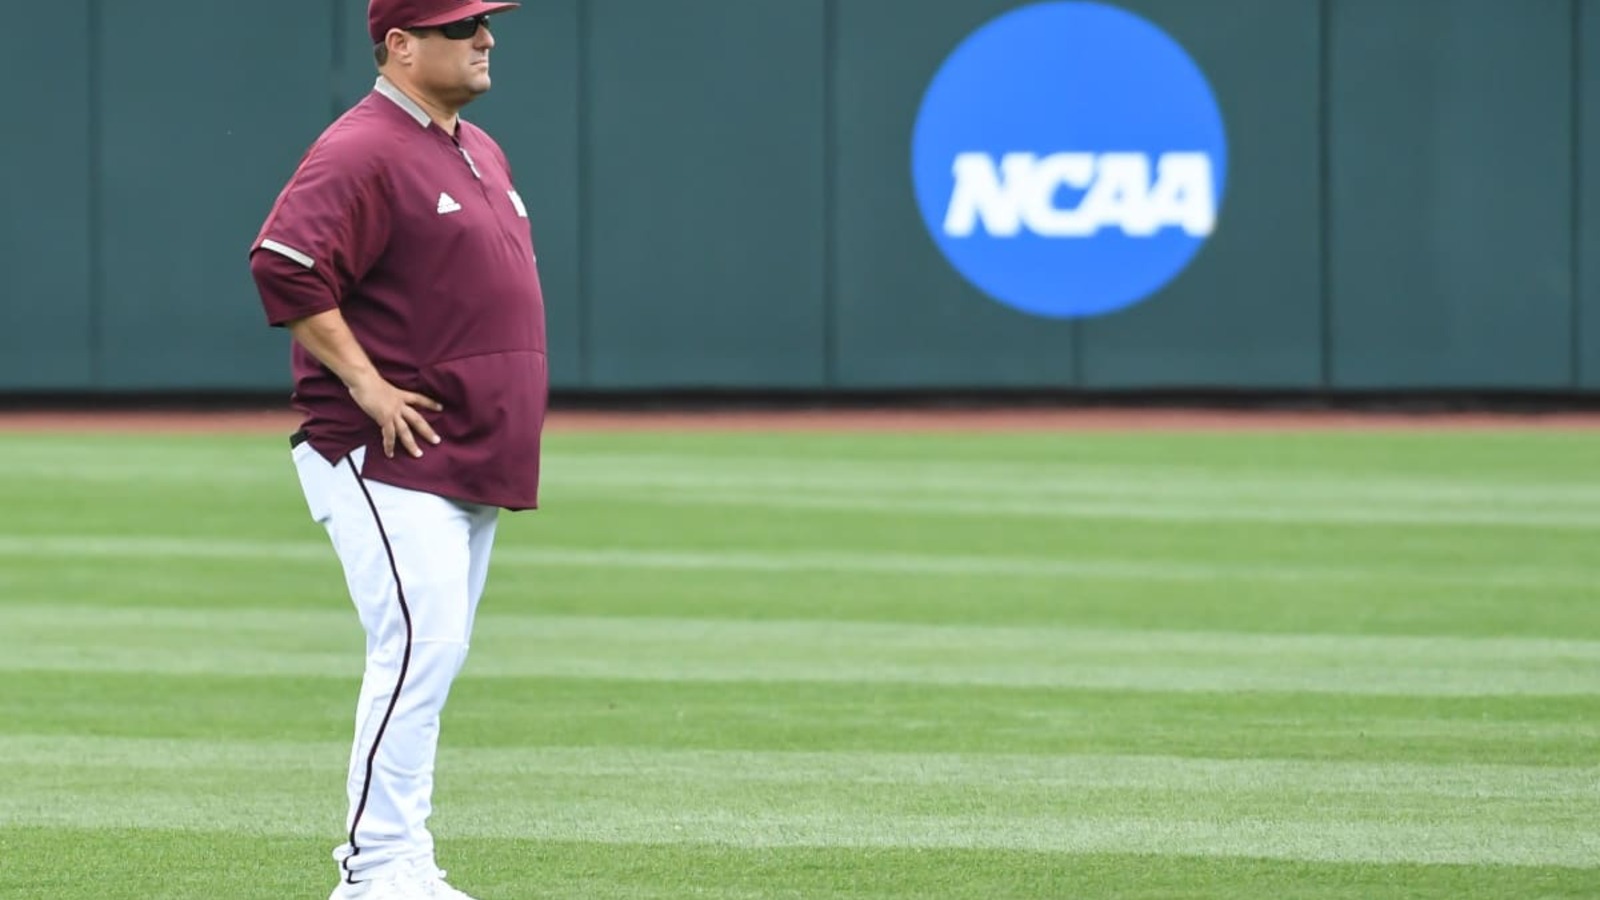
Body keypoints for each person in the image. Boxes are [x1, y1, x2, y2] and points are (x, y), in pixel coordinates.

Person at [247, 0, 546, 897]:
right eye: (461, 27)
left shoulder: (476, 147)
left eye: (485, 23)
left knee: (434, 653)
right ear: (401, 47)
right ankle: (376, 870)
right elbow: (285, 263)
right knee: (419, 648)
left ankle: (404, 863)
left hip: (467, 447)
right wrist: (367, 384)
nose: (485, 38)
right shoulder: (363, 145)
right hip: (385, 449)